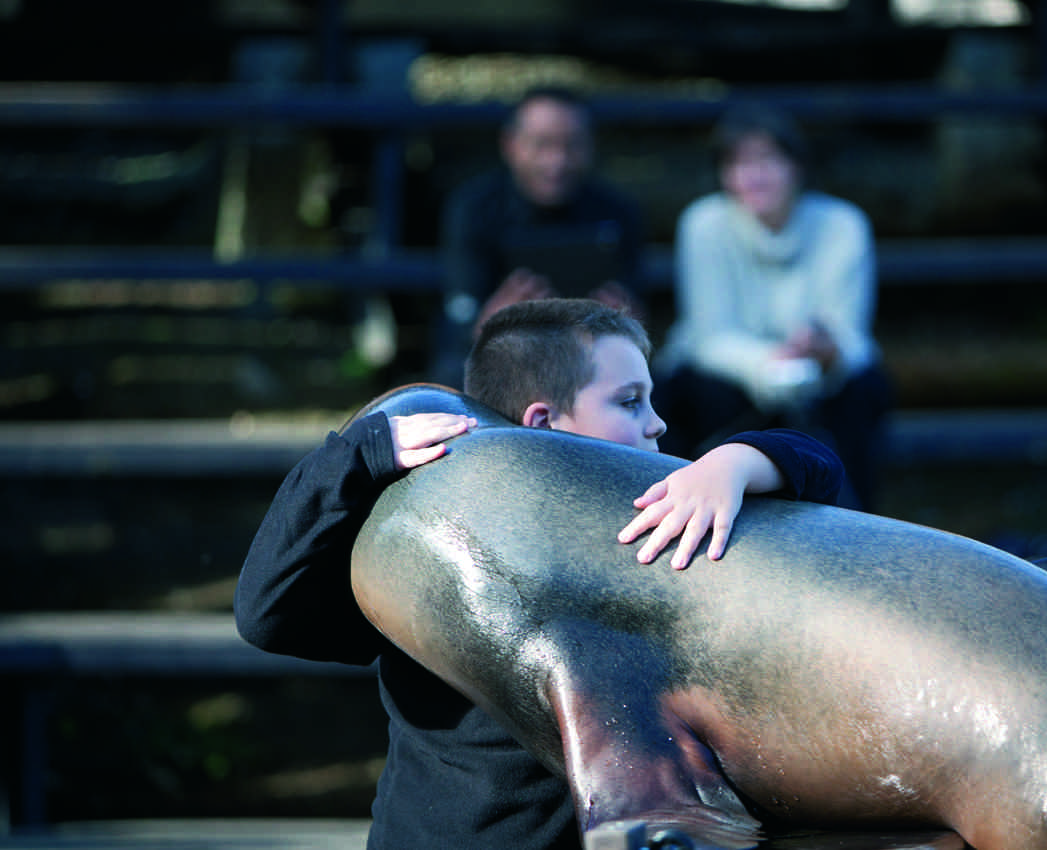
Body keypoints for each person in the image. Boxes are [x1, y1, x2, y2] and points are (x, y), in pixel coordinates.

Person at [235, 298, 844, 849]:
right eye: (630, 402)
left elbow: (822, 470)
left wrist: (735, 462)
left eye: (650, 399)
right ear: (543, 424)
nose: (657, 423)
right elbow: (269, 616)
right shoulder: (434, 553)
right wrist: (357, 454)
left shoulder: (652, 523)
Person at [653, 101, 893, 512]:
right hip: (726, 376)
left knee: (865, 389)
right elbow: (710, 335)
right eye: (738, 163)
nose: (753, 176)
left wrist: (825, 352)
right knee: (697, 391)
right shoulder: (704, 224)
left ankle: (856, 523)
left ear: (796, 166)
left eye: (767, 160)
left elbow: (851, 335)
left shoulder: (843, 225)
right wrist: (772, 363)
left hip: (818, 375)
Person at [431, 85, 646, 388]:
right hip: (502, 359)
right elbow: (461, 315)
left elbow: (634, 310)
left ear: (591, 146)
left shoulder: (618, 211)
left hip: (592, 357)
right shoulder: (474, 208)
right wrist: (493, 323)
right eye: (542, 145)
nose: (556, 162)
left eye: (572, 145)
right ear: (511, 144)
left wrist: (627, 322)